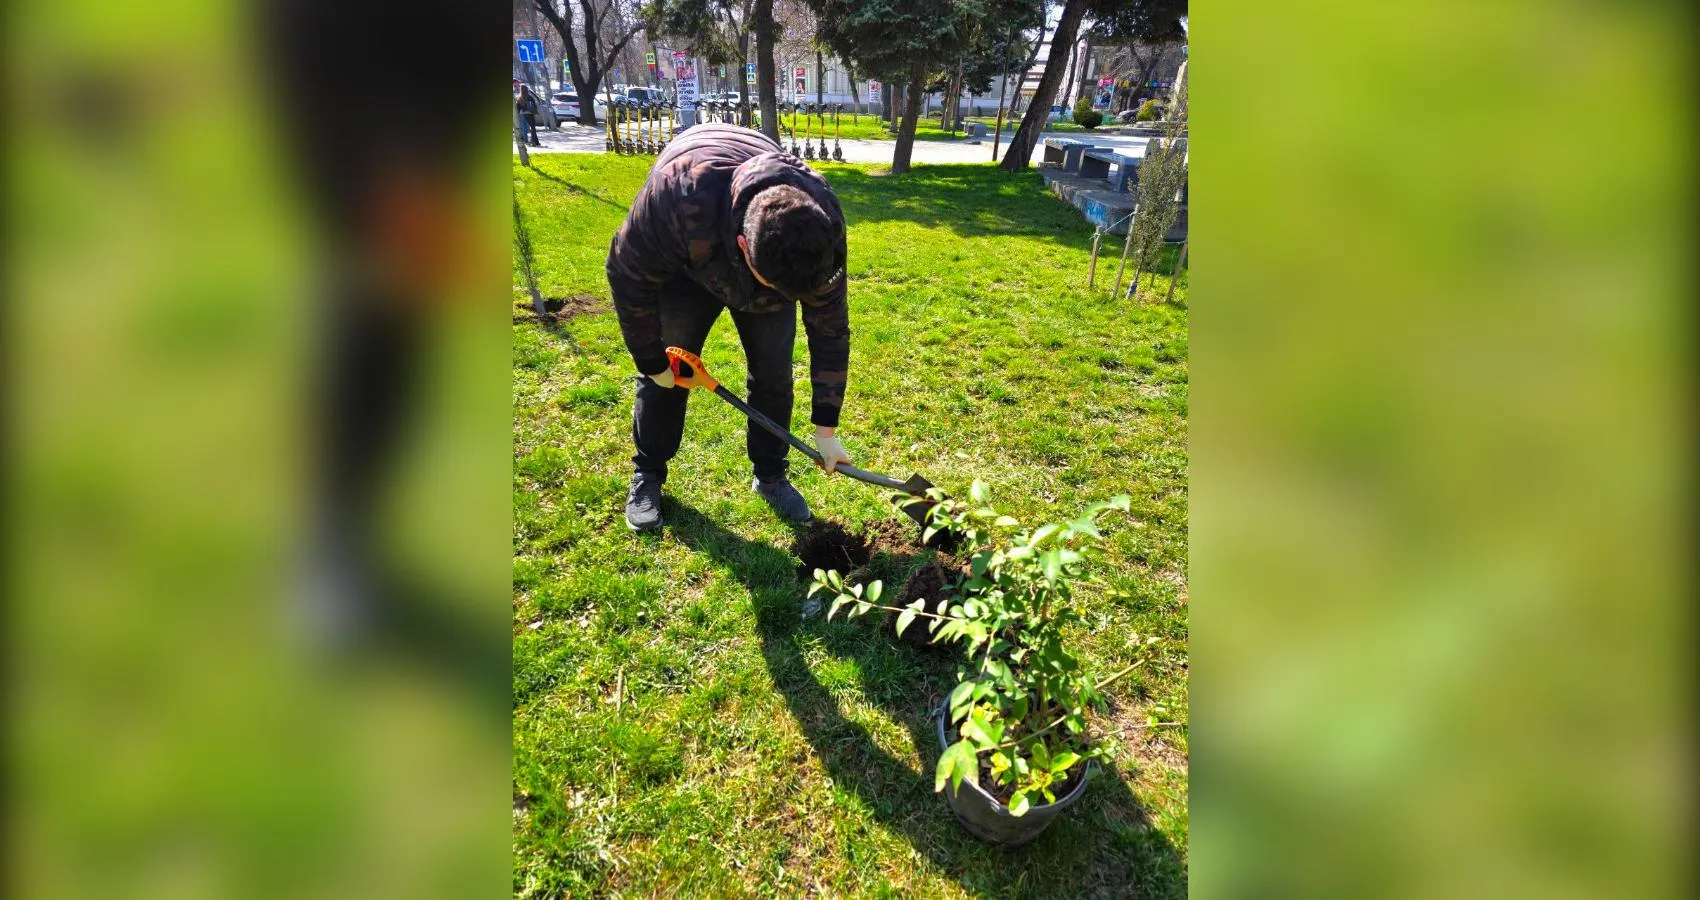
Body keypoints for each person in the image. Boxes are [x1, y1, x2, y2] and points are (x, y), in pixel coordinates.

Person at [606, 122, 853, 531]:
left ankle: (770, 475)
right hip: (688, 265)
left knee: (774, 376)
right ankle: (648, 472)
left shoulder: (820, 224)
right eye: (776, 287)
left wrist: (826, 428)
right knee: (667, 373)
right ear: (744, 246)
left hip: (761, 253)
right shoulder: (676, 197)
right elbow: (626, 275)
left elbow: (830, 328)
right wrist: (651, 361)